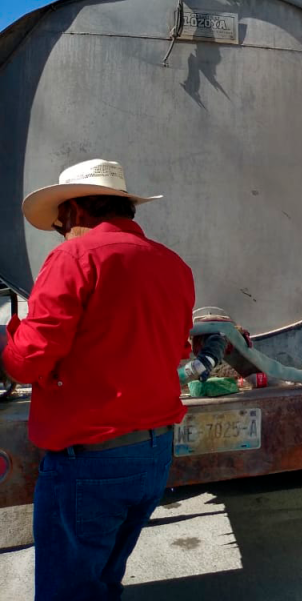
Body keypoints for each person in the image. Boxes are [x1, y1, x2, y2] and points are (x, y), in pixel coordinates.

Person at [0, 159, 195, 601]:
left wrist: (6, 344)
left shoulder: (74, 257)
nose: (61, 232)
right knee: (104, 581)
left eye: (60, 222)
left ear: (76, 210)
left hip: (90, 459)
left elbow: (27, 361)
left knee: (70, 591)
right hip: (154, 454)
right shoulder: (172, 264)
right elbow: (177, 348)